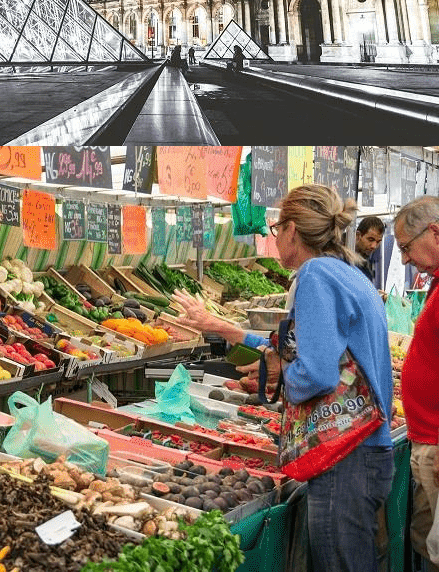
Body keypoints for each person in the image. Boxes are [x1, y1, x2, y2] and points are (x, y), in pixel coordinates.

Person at [181, 184, 393, 572]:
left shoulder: (315, 275)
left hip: (345, 456)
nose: (275, 237)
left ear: (292, 230)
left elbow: (316, 374)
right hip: (366, 449)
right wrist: (238, 335)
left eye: (277, 229)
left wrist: (283, 374)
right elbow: (314, 348)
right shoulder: (347, 272)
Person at [395, 197, 439, 570]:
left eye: (406, 247)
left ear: (434, 233)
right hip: (428, 438)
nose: (405, 259)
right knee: (428, 543)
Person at [355, 215, 384, 285]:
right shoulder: (339, 256)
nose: (374, 246)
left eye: (378, 242)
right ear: (358, 236)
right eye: (370, 240)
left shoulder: (366, 259)